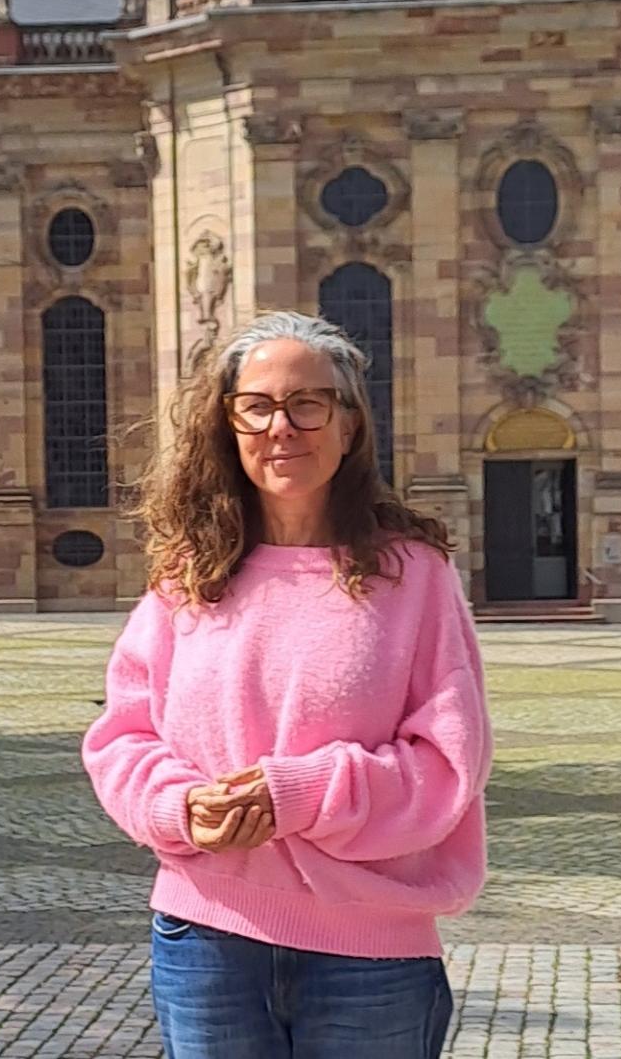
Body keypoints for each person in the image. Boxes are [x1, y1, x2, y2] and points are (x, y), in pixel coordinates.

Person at [83, 311, 492, 1059]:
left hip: (371, 950)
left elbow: (446, 765)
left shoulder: (414, 574)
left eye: (309, 403)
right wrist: (179, 806)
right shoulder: (189, 574)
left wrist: (297, 794)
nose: (282, 426)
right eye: (258, 405)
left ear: (349, 424)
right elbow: (123, 735)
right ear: (229, 423)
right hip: (208, 937)